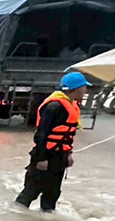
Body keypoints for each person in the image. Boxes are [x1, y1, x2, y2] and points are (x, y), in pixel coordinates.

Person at [15, 72, 90, 212]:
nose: (86, 91)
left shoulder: (71, 105)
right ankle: (15, 218)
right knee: (30, 192)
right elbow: (41, 135)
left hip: (59, 157)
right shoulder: (53, 107)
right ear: (77, 88)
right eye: (84, 87)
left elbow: (67, 135)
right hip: (44, 156)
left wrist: (68, 154)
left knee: (52, 193)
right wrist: (41, 159)